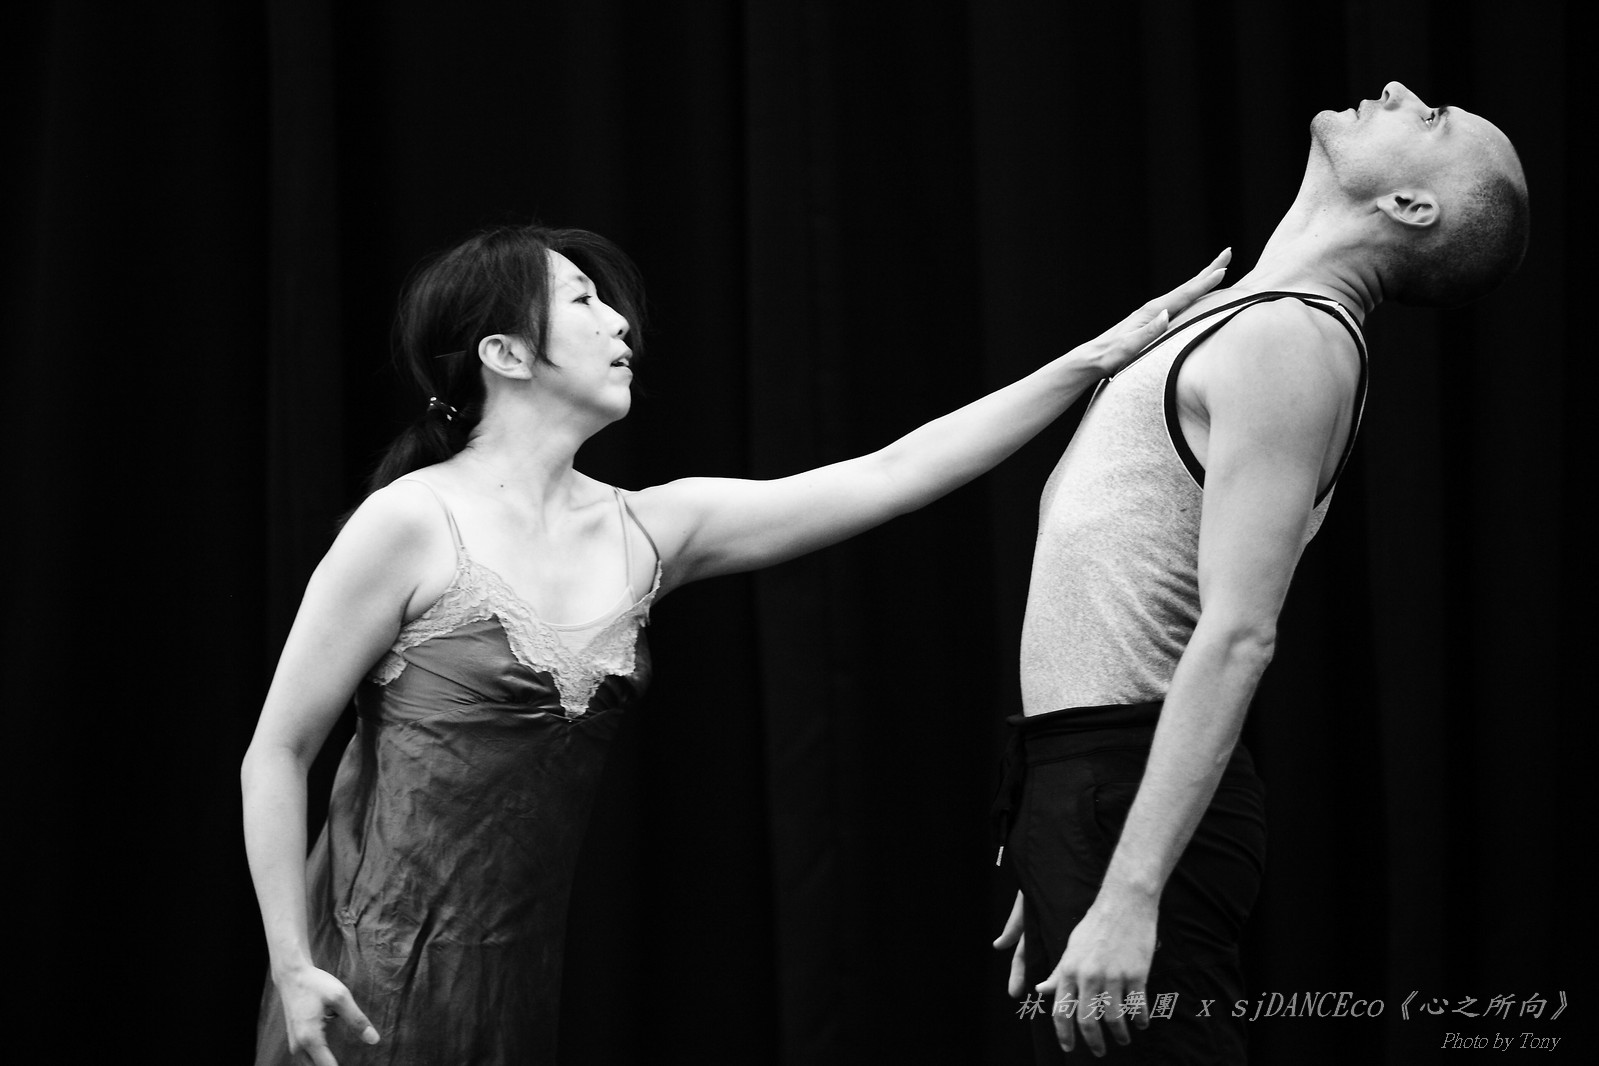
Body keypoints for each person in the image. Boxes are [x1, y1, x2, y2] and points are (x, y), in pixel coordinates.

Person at [240, 222, 1229, 1065]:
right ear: (503, 353)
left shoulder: (649, 529)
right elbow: (277, 750)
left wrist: (1092, 360)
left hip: (515, 975)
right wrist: (291, 962)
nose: (620, 324)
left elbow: (892, 473)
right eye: (583, 301)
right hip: (366, 972)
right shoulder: (411, 522)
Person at [991, 80, 1528, 1063]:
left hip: (1127, 787)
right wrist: (1057, 825)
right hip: (1091, 787)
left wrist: (1130, 889)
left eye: (1431, 120)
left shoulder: (1293, 340)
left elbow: (1239, 633)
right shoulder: (1258, 319)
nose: (1401, 91)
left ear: (1412, 205)